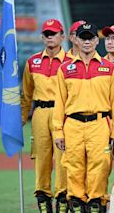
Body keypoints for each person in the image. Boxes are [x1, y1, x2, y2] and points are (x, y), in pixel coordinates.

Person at [52, 23, 114, 213]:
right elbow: (59, 102)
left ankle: (95, 202)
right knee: (73, 166)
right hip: (72, 124)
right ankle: (76, 201)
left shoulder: (108, 68)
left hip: (99, 124)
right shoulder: (65, 68)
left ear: (96, 41)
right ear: (76, 40)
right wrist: (58, 131)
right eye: (83, 38)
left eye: (90, 38)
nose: (86, 41)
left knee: (99, 166)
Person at [21, 19, 68, 213]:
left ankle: (63, 199)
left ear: (62, 37)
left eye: (54, 33)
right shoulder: (32, 62)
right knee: (41, 159)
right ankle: (43, 200)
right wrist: (22, 117)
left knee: (63, 159)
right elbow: (26, 94)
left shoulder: (71, 61)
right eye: (47, 34)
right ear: (42, 37)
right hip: (40, 113)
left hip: (63, 114)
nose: (50, 37)